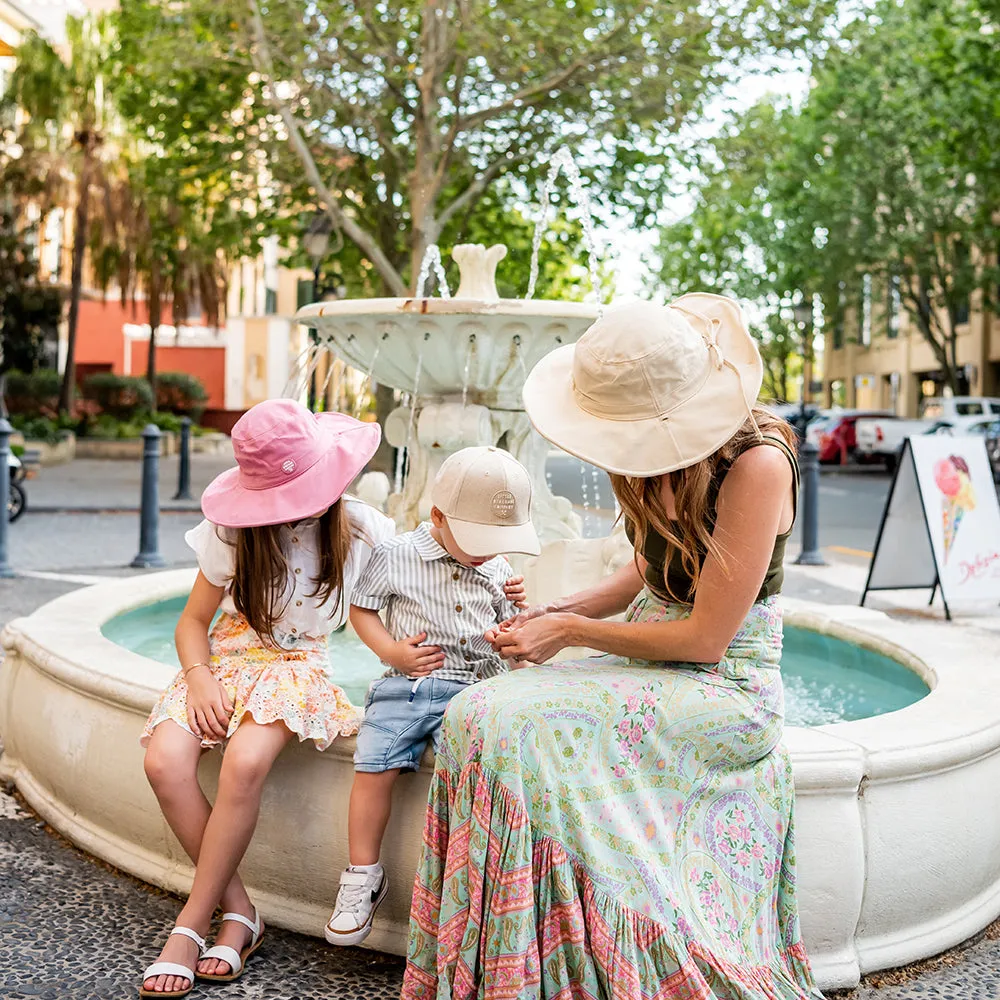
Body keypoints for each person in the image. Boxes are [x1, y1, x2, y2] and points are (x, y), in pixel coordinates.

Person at [403, 296, 825, 999]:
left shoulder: (757, 464)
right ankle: (512, 969)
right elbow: (652, 568)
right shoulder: (654, 457)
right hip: (657, 653)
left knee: (513, 725)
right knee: (477, 711)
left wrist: (568, 632)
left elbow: (705, 635)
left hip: (725, 681)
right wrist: (562, 606)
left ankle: (588, 962)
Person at [138, 399, 394, 998]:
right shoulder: (235, 529)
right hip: (226, 656)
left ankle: (191, 924)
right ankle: (240, 910)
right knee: (163, 761)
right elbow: (192, 621)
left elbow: (427, 571)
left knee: (245, 761)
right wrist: (198, 675)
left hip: (295, 661)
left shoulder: (360, 528)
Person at [325, 446, 538, 948]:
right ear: (438, 517)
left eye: (496, 542)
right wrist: (393, 653)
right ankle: (362, 875)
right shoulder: (396, 554)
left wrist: (515, 621)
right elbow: (362, 611)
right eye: (477, 540)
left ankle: (472, 882)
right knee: (373, 763)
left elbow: (506, 631)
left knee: (478, 769)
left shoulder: (494, 563)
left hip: (476, 688)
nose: (487, 552)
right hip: (408, 685)